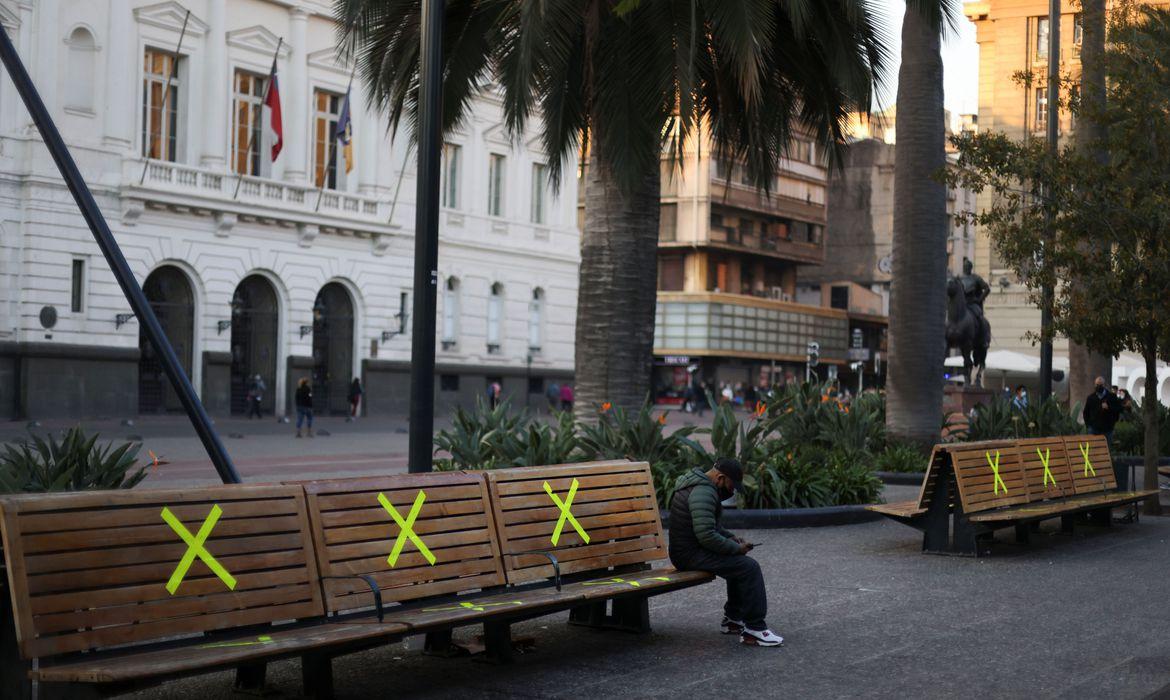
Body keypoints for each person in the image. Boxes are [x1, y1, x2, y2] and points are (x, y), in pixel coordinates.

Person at [668, 458, 783, 647]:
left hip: (688, 550)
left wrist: (731, 538)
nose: (732, 491)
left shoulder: (702, 486)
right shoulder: (703, 492)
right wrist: (736, 548)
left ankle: (733, 620)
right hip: (689, 555)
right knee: (749, 567)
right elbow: (706, 535)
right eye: (732, 486)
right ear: (720, 478)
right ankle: (754, 629)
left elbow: (711, 527)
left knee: (739, 563)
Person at [1083, 376, 1123, 445]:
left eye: (1100, 385)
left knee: (1107, 449)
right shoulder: (1091, 398)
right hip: (1094, 429)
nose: (1098, 387)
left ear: (1104, 385)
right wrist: (1088, 426)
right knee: (1093, 449)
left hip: (1107, 430)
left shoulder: (1111, 396)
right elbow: (1086, 412)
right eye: (1097, 385)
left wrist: (1109, 408)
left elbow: (1119, 409)